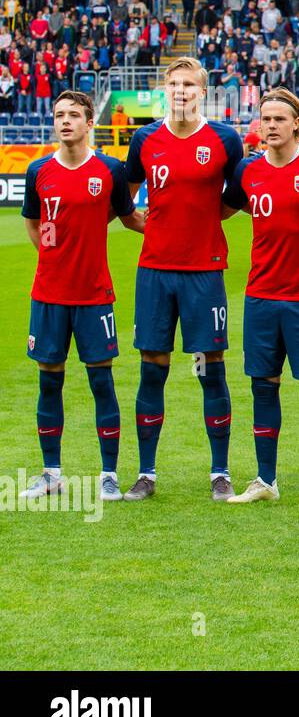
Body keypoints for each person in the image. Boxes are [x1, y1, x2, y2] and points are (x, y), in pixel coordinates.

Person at [219, 89, 299, 506]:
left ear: (297, 124)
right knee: (263, 386)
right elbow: (230, 207)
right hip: (260, 295)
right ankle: (265, 480)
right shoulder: (247, 170)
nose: (270, 126)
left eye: (279, 119)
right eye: (265, 119)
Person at [122, 58, 244, 502]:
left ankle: (220, 472)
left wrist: (205, 227)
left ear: (203, 91)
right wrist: (150, 226)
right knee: (151, 372)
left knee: (210, 373)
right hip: (155, 272)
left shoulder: (224, 140)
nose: (180, 91)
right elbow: (125, 194)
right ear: (164, 89)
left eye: (189, 85)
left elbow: (236, 196)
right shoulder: (145, 139)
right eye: (173, 84)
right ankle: (147, 474)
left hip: (205, 273)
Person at [18, 91, 143, 502]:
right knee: (49, 383)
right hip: (49, 295)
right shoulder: (38, 171)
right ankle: (51, 472)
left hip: (94, 295)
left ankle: (108, 473)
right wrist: (55, 258)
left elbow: (130, 218)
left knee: (101, 383)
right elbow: (35, 226)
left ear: (91, 123)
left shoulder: (109, 170)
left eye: (74, 114)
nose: (65, 120)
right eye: (59, 114)